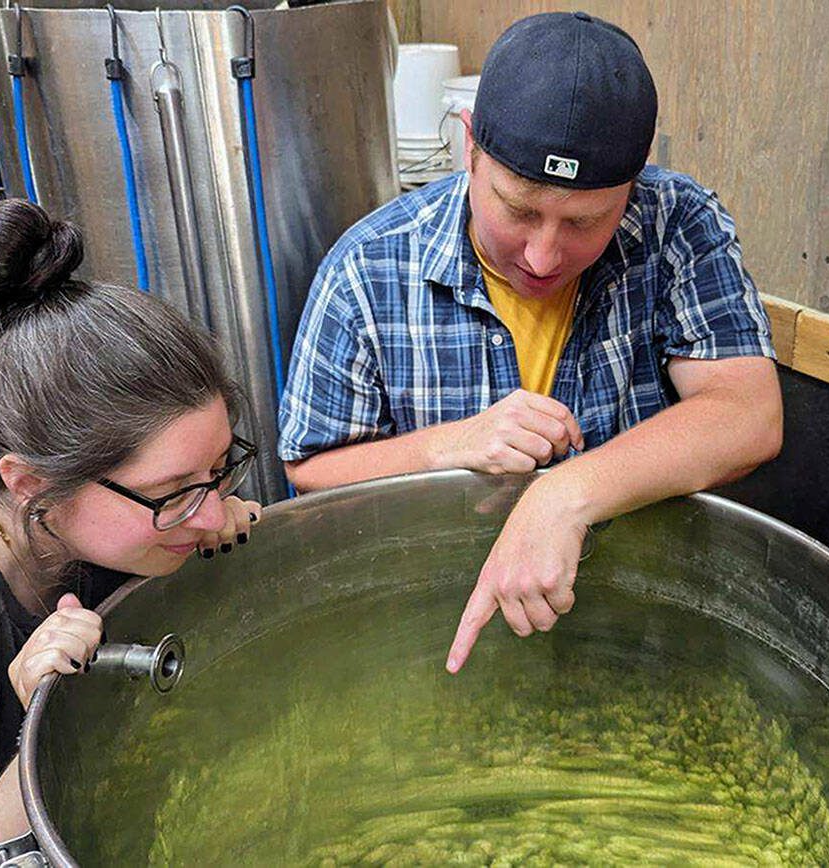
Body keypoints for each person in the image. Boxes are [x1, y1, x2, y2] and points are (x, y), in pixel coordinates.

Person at [278, 12, 783, 672]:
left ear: (633, 189)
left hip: (641, 616)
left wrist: (561, 494)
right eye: (517, 209)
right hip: (444, 618)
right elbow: (310, 471)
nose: (544, 256)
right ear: (470, 150)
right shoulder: (368, 268)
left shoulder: (677, 222)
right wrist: (444, 445)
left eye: (584, 222)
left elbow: (748, 416)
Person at [0, 199, 262, 866]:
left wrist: (201, 510)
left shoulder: (66, 467)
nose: (213, 512)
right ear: (29, 484)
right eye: (171, 494)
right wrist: (41, 730)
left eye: (219, 469)